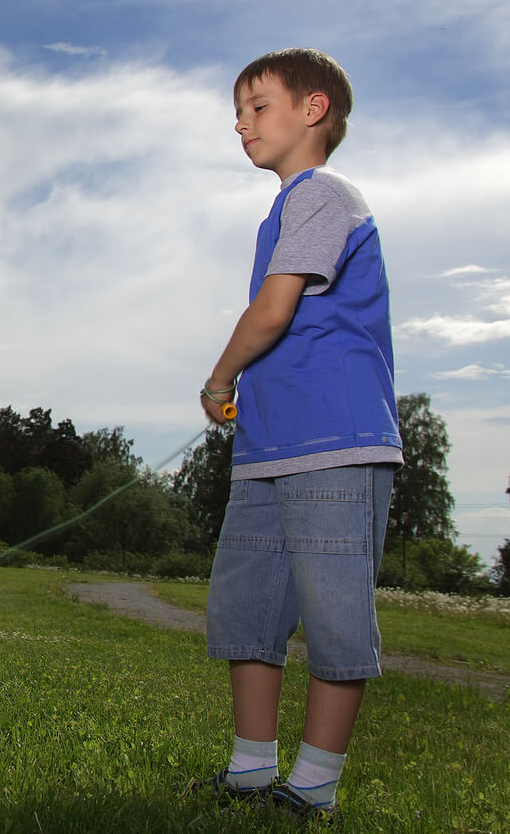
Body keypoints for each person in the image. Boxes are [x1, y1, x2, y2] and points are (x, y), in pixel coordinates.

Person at [192, 48, 402, 820]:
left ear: (313, 110)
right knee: (246, 609)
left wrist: (219, 380)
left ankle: (313, 786)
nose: (241, 122)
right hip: (267, 451)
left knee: (334, 613)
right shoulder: (284, 209)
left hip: (337, 445)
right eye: (238, 111)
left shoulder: (325, 197)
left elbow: (274, 311)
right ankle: (251, 769)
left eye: (258, 106)